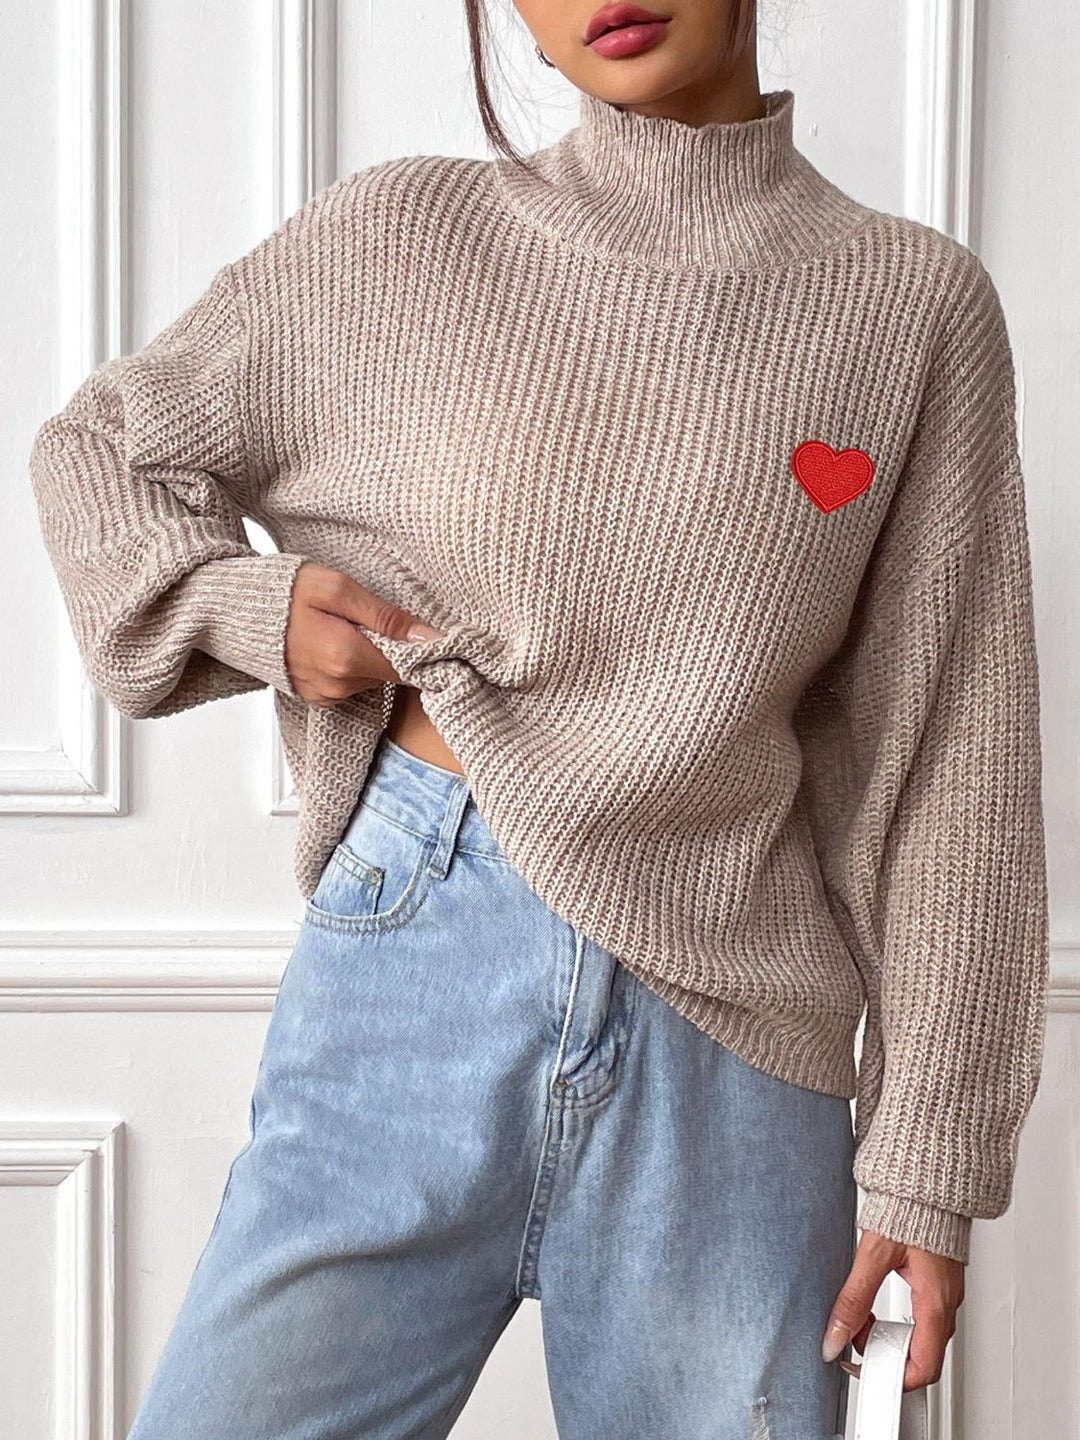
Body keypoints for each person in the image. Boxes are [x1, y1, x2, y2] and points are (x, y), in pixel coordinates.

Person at [28, 1, 1050, 1436]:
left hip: (734, 1046)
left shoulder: (912, 305)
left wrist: (928, 1165)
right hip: (414, 964)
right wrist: (249, 611)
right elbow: (102, 449)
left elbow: (949, 759)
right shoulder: (398, 240)